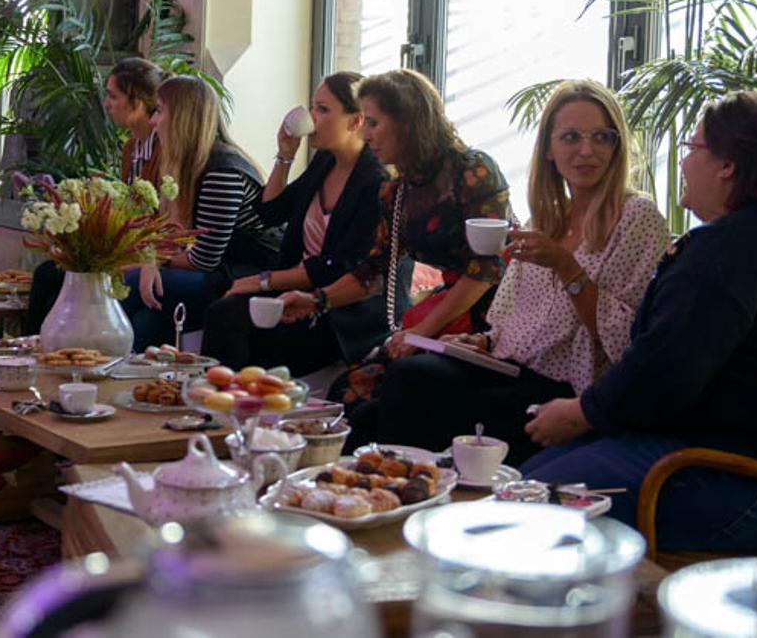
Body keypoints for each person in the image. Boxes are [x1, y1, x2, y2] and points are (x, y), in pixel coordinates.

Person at [521, 91, 757, 552]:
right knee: (526, 479)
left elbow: (665, 371)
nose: (685, 163)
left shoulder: (730, 251)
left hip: (736, 487)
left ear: (727, 164)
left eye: (693, 148)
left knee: (522, 507)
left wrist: (579, 413)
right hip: (726, 468)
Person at [373, 80, 669, 463]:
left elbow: (626, 338)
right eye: (571, 137)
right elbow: (513, 320)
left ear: (617, 145)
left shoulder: (637, 217)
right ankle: (393, 496)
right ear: (549, 149)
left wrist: (566, 267)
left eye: (602, 137)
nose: (587, 150)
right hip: (513, 369)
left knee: (413, 387)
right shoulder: (548, 218)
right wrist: (484, 344)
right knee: (394, 387)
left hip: (569, 388)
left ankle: (410, 494)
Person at [279, 69, 511, 447]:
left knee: (389, 395)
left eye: (373, 122)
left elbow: (485, 271)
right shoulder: (397, 189)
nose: (366, 133)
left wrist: (420, 332)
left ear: (407, 122)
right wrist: (316, 300)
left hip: (492, 322)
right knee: (348, 394)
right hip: (442, 320)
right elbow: (372, 270)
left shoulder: (473, 171)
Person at [200, 72, 390, 374]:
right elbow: (271, 212)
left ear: (355, 121)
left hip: (336, 310)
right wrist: (285, 156)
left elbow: (340, 265)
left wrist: (262, 281)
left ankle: (226, 403)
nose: (312, 117)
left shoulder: (374, 182)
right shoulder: (324, 163)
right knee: (220, 297)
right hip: (294, 291)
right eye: (313, 107)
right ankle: (226, 400)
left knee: (230, 315)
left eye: (323, 109)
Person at [121, 75, 278, 350]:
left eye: (159, 110)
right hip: (218, 270)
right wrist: (151, 261)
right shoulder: (191, 162)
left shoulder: (222, 169)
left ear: (182, 117)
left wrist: (154, 262)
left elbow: (204, 258)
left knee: (125, 284)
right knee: (147, 319)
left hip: (245, 274)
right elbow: (173, 235)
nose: (153, 120)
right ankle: (136, 384)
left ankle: (94, 370)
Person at [23, 57, 163, 334]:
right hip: (129, 249)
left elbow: (159, 219)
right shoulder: (130, 149)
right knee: (47, 276)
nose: (107, 104)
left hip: (147, 254)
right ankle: (31, 353)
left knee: (66, 294)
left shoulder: (163, 149)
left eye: (113, 96)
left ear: (137, 101)